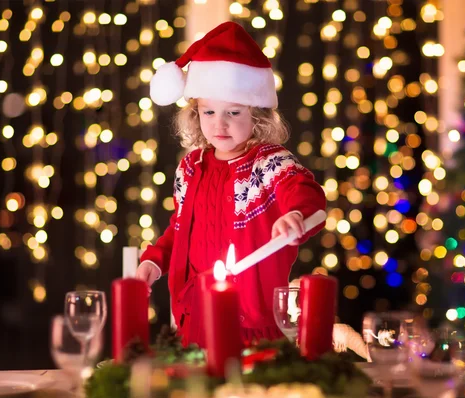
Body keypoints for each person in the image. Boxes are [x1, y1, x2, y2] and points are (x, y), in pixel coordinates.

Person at [135, 21, 326, 347]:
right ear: (196, 115)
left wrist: (296, 214)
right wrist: (154, 260)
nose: (219, 123)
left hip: (252, 323)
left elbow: (303, 191)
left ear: (257, 116)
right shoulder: (191, 168)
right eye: (208, 112)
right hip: (194, 319)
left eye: (234, 112)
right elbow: (179, 229)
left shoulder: (268, 163)